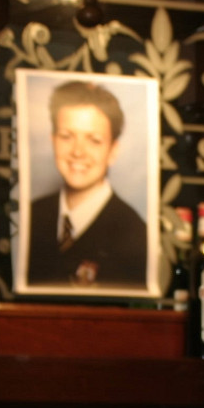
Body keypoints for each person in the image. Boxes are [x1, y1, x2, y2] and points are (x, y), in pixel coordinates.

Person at [26, 79, 149, 287]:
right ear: (53, 140)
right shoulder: (30, 215)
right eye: (66, 136)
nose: (78, 152)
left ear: (113, 150)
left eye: (94, 140)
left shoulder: (134, 232)